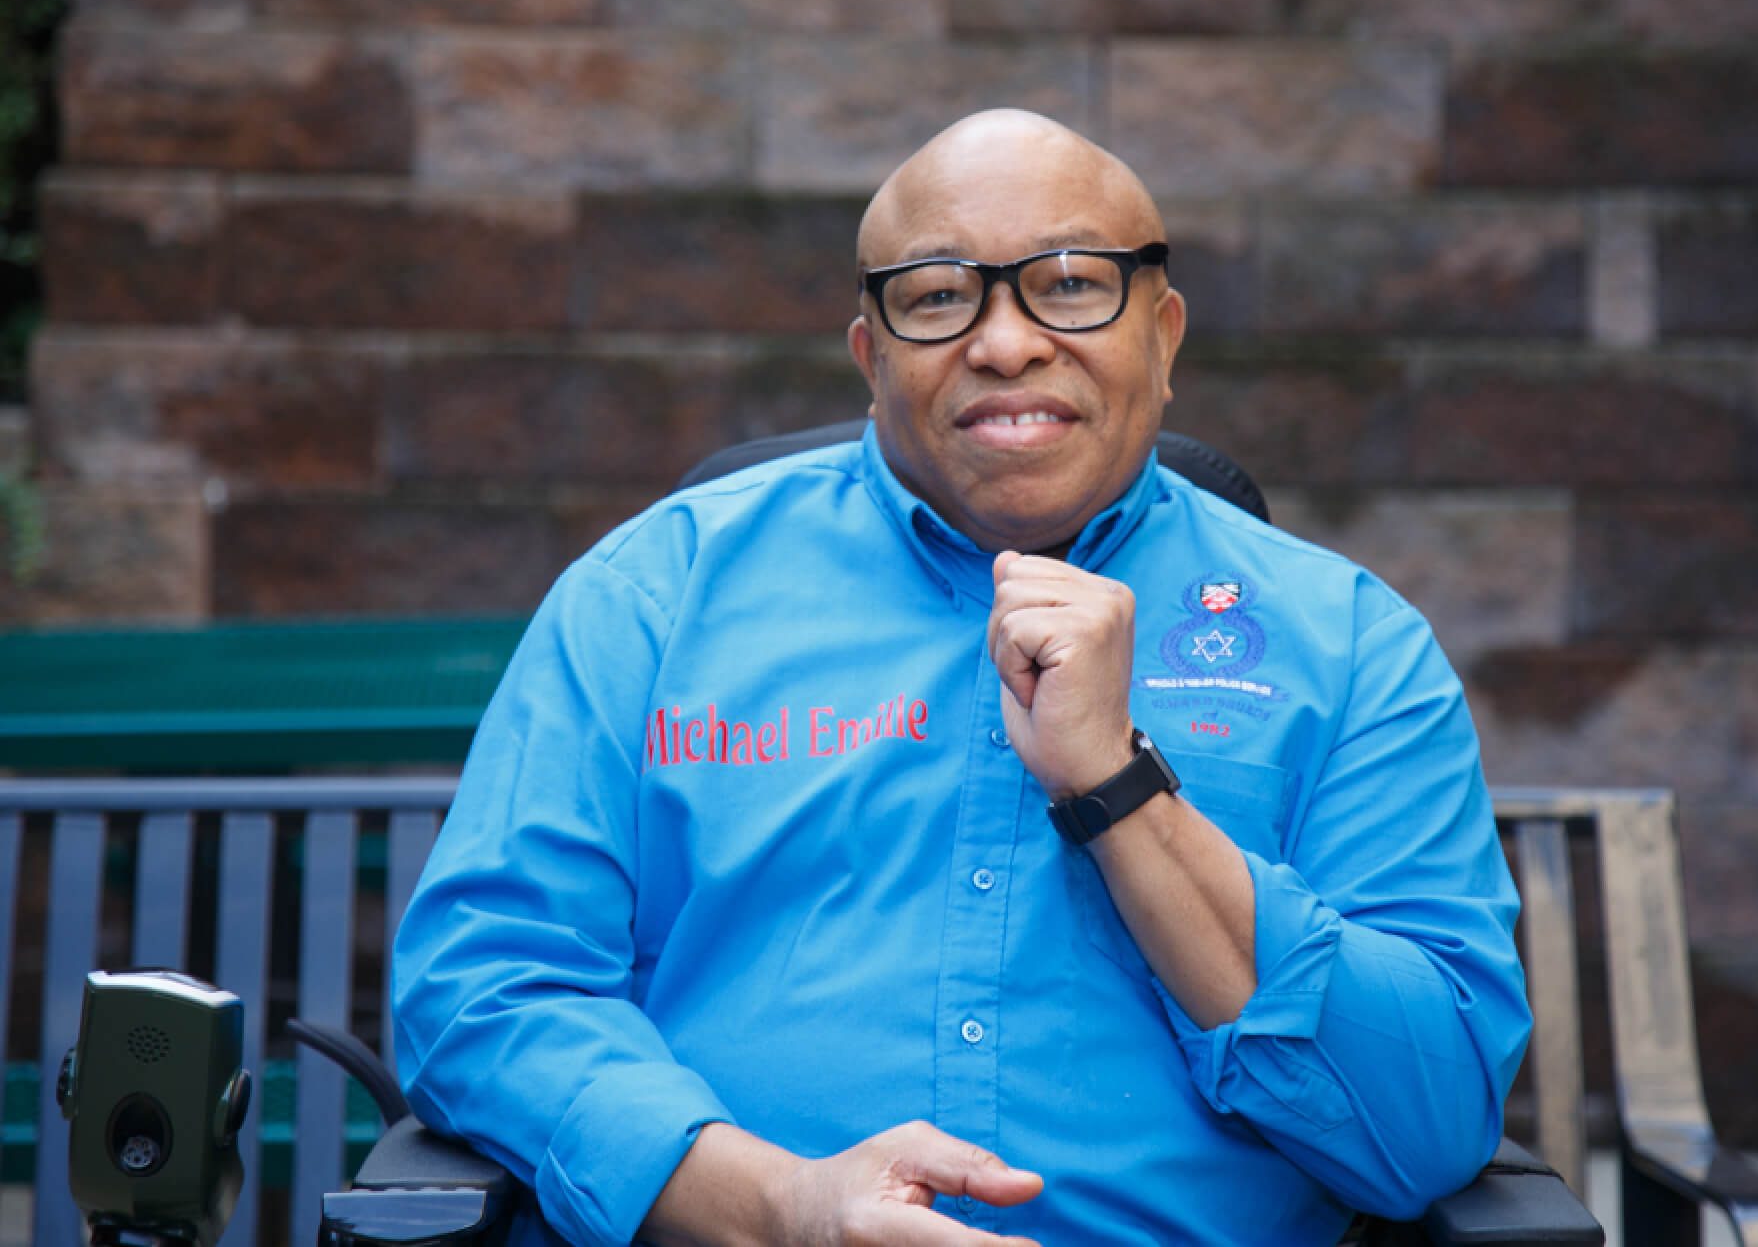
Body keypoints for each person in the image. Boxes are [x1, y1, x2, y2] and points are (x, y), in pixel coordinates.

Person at [393, 109, 1530, 1246]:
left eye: (1072, 284)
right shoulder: (653, 596)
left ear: (1163, 334)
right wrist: (778, 1207)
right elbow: (485, 989)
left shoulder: (1348, 644)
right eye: (938, 297)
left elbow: (1426, 1122)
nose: (1006, 343)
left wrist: (1119, 787)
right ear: (870, 357)